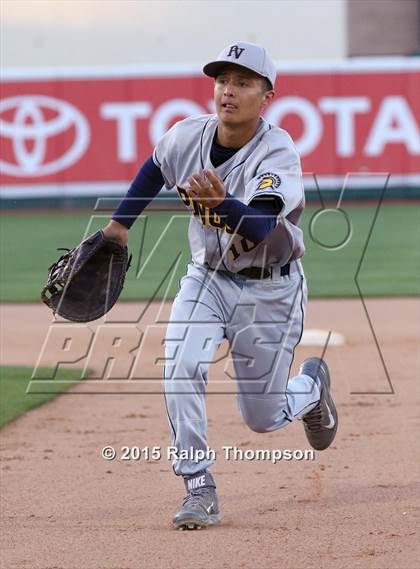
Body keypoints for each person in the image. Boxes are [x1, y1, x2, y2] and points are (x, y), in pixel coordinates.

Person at [103, 41, 338, 530]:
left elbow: (258, 226)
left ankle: (311, 389)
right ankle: (198, 486)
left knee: (264, 417)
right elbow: (155, 167)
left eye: (243, 82)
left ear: (267, 96)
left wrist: (226, 204)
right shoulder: (188, 135)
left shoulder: (278, 151)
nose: (229, 91)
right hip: (206, 278)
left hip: (271, 290)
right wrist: (119, 225)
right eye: (223, 80)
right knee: (181, 364)